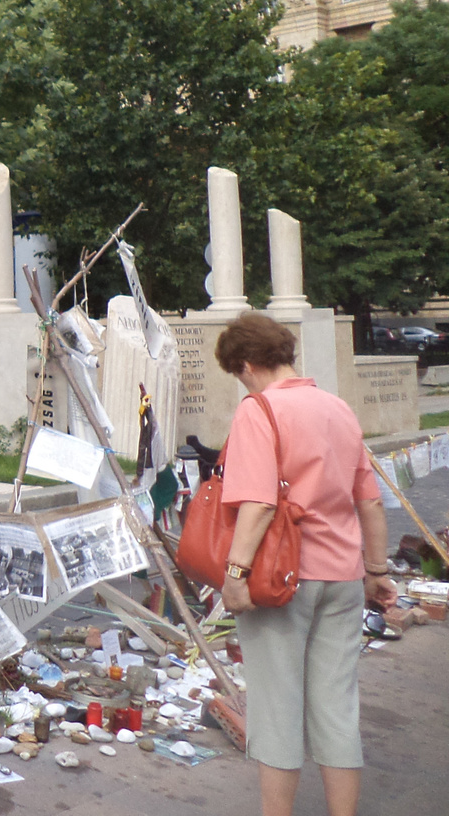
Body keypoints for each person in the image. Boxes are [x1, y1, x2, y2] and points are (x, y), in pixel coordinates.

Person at [214, 314, 395, 816]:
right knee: (337, 709)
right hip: (342, 577)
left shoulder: (259, 411)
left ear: (247, 366)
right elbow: (371, 503)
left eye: (239, 374)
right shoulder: (338, 409)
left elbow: (259, 505)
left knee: (277, 712)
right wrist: (376, 572)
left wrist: (234, 577)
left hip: (280, 582)